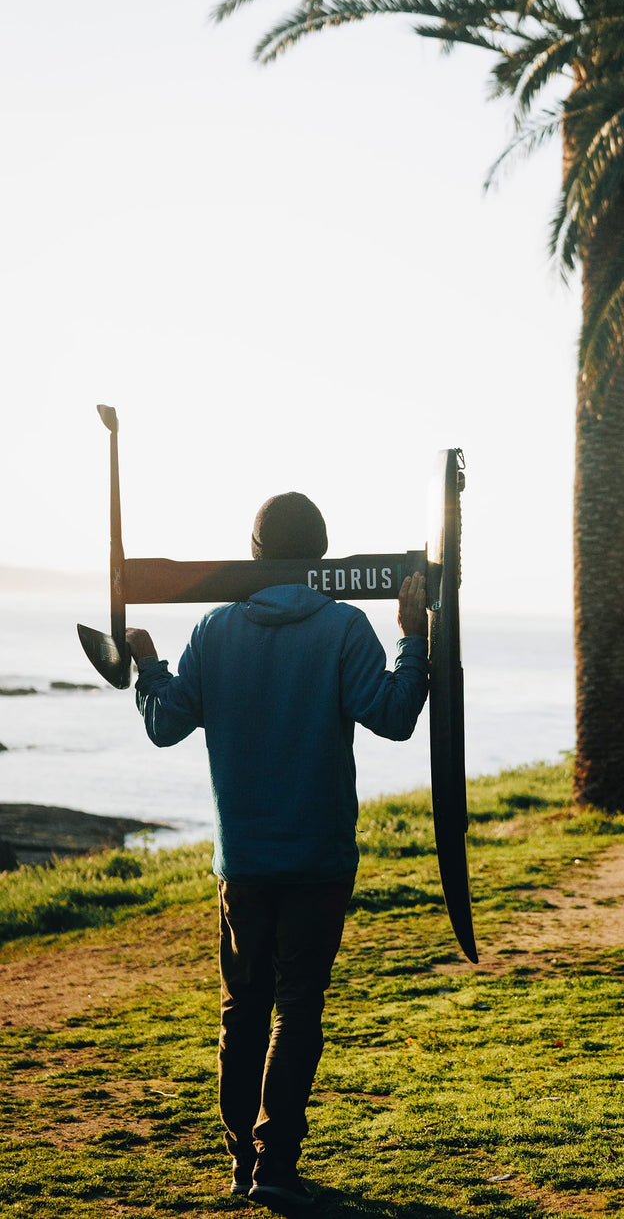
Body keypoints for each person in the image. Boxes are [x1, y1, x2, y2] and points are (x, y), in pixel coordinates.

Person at [126, 491, 428, 1212]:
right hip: (320, 859)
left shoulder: (216, 630)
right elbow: (393, 716)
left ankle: (240, 1163)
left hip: (245, 863)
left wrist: (148, 664)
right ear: (322, 557)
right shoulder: (345, 629)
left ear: (253, 554)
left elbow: (166, 726)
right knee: (298, 1010)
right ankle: (275, 1165)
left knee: (243, 1012)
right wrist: (413, 639)